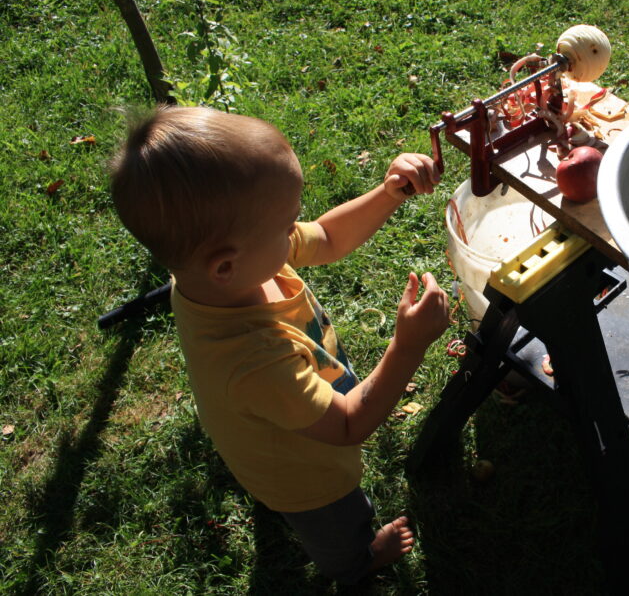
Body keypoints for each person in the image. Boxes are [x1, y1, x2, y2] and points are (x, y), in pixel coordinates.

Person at [109, 105, 450, 584]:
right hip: (306, 480)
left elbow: (329, 237)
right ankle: (357, 561)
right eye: (287, 224)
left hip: (270, 427)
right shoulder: (253, 358)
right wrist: (408, 346)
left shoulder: (225, 267)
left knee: (270, 453)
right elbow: (350, 424)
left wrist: (386, 193)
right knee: (336, 528)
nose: (296, 231)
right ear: (225, 265)